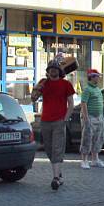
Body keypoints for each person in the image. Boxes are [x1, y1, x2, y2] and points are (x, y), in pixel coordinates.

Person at [31, 60, 75, 191]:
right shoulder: (43, 83)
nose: (53, 70)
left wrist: (65, 119)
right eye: (50, 69)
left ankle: (55, 178)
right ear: (48, 71)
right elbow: (33, 98)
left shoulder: (66, 84)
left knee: (57, 148)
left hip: (59, 121)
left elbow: (71, 104)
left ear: (59, 71)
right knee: (49, 149)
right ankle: (59, 173)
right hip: (45, 121)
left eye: (55, 69)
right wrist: (38, 88)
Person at [79, 69, 104, 169]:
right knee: (87, 138)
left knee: (98, 138)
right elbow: (83, 103)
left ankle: (95, 159)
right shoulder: (87, 90)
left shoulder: (98, 89)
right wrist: (86, 118)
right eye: (97, 76)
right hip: (90, 117)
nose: (99, 78)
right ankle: (84, 160)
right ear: (92, 77)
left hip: (99, 117)